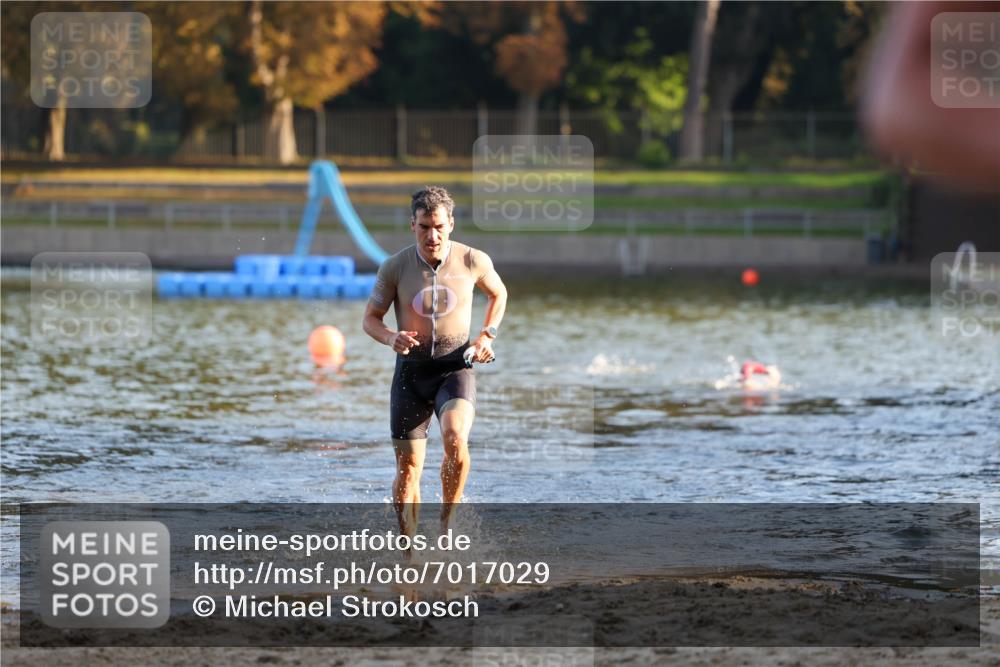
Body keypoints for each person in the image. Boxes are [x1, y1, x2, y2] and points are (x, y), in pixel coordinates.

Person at [362, 186, 508, 542]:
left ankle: (447, 524)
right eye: (425, 227)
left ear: (451, 224)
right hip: (410, 375)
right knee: (408, 468)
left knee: (455, 438)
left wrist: (486, 335)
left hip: (454, 368)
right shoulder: (394, 267)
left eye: (439, 227)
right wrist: (390, 338)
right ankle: (409, 552)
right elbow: (370, 319)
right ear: (412, 225)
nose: (433, 236)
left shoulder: (473, 260)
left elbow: (498, 293)